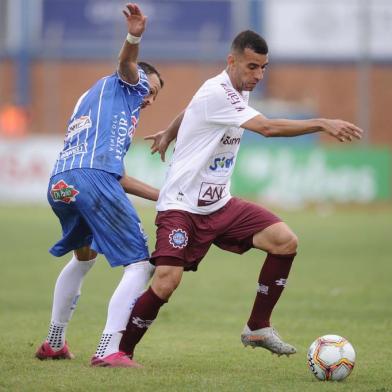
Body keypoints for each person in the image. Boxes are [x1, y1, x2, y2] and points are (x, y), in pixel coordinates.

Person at [116, 30, 363, 365]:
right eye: (252, 67)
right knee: (166, 282)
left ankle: (257, 326)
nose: (258, 76)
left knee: (284, 241)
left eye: (263, 68)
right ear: (230, 61)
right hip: (182, 207)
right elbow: (267, 128)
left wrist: (169, 133)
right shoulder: (219, 92)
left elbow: (190, 109)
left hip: (220, 205)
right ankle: (120, 353)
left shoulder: (234, 88)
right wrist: (321, 123)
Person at [35, 3, 163, 368]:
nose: (150, 97)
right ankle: (109, 347)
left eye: (155, 95)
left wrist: (161, 195)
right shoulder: (128, 84)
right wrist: (134, 35)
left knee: (84, 257)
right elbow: (126, 64)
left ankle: (54, 341)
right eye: (151, 88)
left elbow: (116, 177)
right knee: (139, 263)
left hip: (62, 183)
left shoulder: (93, 102)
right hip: (91, 179)